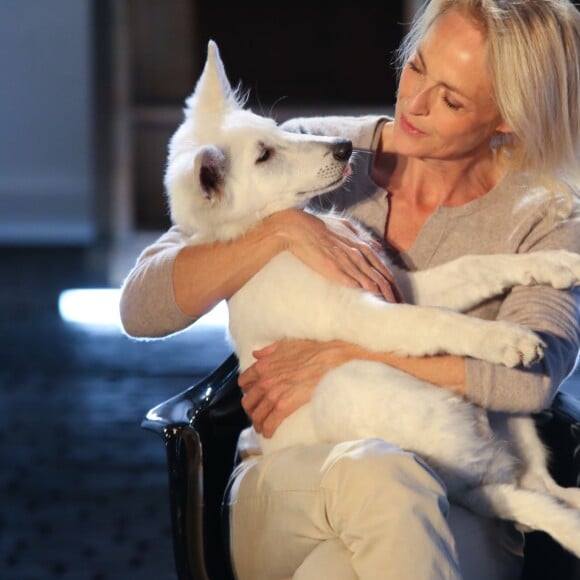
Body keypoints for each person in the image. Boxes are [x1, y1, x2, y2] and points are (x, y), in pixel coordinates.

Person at [120, 0, 580, 577]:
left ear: (510, 116)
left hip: (462, 495)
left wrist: (344, 355)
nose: (414, 103)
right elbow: (142, 306)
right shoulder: (311, 156)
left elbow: (533, 372)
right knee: (379, 473)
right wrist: (283, 230)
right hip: (294, 487)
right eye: (416, 68)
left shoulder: (547, 215)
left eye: (452, 98)